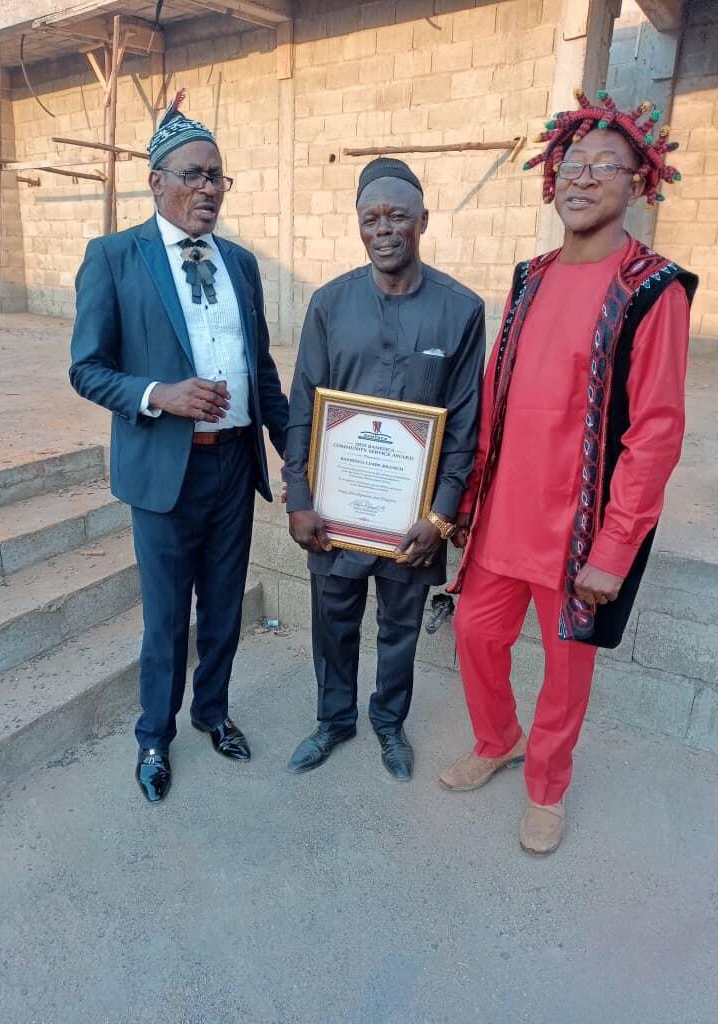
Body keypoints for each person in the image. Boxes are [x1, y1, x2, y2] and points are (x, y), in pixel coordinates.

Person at [440, 91, 698, 853]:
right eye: (572, 162)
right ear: (553, 175)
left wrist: (614, 549)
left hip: (578, 532)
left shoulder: (651, 288)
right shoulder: (531, 276)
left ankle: (547, 786)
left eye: (604, 166)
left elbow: (656, 431)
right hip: (504, 515)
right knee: (474, 635)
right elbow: (496, 392)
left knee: (564, 672)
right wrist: (467, 499)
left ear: (640, 182)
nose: (583, 178)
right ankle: (498, 740)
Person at [69, 91, 288, 803]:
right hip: (165, 472)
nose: (208, 189)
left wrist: (294, 449)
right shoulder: (114, 258)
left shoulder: (241, 264)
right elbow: (87, 368)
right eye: (193, 175)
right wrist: (158, 394)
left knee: (224, 606)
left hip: (233, 464)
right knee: (167, 617)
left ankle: (212, 713)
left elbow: (260, 369)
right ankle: (153, 737)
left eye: (217, 176)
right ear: (156, 181)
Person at [283, 158, 485, 781]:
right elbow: (302, 407)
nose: (384, 229)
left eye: (398, 216)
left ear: (424, 220)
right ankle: (333, 720)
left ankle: (389, 725)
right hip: (336, 511)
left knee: (401, 627)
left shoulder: (461, 310)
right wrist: (298, 499)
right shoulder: (330, 303)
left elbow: (465, 422)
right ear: (358, 224)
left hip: (411, 520)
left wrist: (440, 516)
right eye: (371, 218)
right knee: (333, 621)